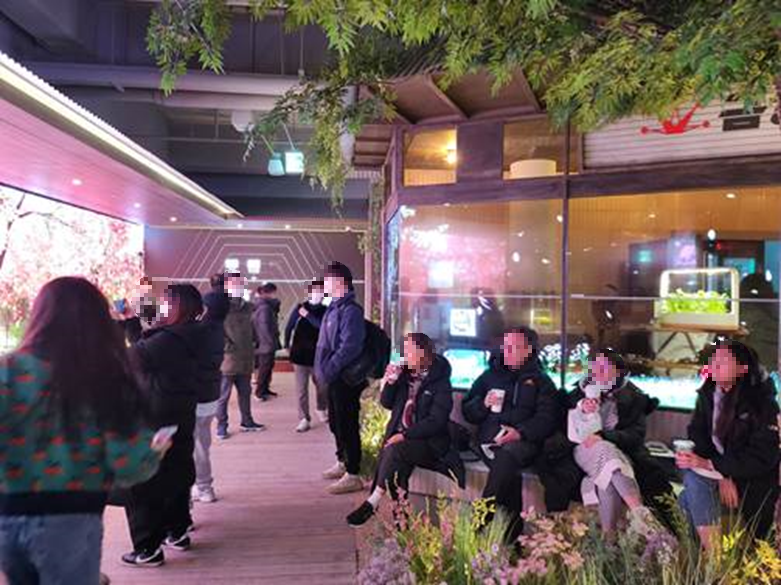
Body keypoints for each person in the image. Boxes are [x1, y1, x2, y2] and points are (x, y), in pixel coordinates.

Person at [0, 277, 168, 584]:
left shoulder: (7, 370)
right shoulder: (105, 377)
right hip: (73, 519)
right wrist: (154, 450)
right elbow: (128, 465)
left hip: (7, 517)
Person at [122, 284, 204, 567]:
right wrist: (134, 322)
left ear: (178, 305)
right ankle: (177, 531)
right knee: (176, 471)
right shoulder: (194, 333)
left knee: (142, 481)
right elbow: (146, 350)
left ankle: (147, 548)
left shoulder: (169, 339)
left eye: (166, 302)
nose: (161, 306)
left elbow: (131, 359)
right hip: (180, 413)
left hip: (155, 418)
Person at [346, 333, 465, 526]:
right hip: (401, 438)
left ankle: (374, 500)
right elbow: (387, 404)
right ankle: (401, 525)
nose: (405, 356)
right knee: (397, 466)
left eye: (409, 351)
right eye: (405, 351)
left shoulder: (440, 382)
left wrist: (404, 435)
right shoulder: (404, 374)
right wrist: (391, 383)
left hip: (429, 443)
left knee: (395, 451)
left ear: (424, 354)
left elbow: (436, 421)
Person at [677, 338, 780, 551]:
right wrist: (721, 474)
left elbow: (762, 457)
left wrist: (717, 467)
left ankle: (711, 559)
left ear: (742, 369)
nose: (714, 364)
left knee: (687, 497)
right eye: (713, 359)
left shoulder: (762, 404)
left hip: (753, 480)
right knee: (691, 480)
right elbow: (698, 437)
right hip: (721, 473)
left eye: (722, 361)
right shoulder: (707, 394)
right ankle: (712, 557)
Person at [461, 327, 560, 543]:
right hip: (489, 440)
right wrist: (483, 404)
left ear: (528, 350)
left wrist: (520, 433)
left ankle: (478, 524)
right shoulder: (489, 376)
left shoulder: (541, 382)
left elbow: (547, 420)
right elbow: (468, 411)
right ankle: (512, 543)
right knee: (507, 471)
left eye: (514, 347)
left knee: (506, 459)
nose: (507, 352)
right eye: (505, 347)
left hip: (524, 442)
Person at [567, 349, 672, 538]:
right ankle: (641, 515)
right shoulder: (576, 396)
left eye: (604, 367)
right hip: (584, 451)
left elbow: (635, 436)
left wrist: (604, 436)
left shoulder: (633, 398)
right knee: (604, 451)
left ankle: (609, 540)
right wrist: (584, 411)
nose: (598, 372)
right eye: (594, 367)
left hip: (622, 453)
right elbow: (564, 431)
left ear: (618, 371)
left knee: (607, 477)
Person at [315, 262, 367, 495]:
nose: (324, 285)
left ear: (340, 282)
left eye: (327, 281)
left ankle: (353, 473)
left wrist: (330, 369)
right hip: (332, 377)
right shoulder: (333, 308)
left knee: (347, 423)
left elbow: (350, 347)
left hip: (345, 378)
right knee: (336, 422)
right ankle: (342, 461)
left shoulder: (351, 311)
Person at [192, 275, 230, 503]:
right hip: (209, 394)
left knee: (197, 445)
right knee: (201, 442)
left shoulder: (201, 332)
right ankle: (202, 486)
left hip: (198, 395)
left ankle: (204, 487)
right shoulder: (217, 329)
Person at [216, 272, 265, 439]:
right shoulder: (221, 307)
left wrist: (255, 342)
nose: (238, 286)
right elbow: (216, 330)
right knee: (223, 397)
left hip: (246, 358)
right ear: (226, 286)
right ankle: (221, 426)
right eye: (234, 283)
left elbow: (254, 328)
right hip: (228, 360)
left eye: (240, 283)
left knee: (245, 393)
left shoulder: (249, 307)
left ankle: (247, 421)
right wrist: (227, 347)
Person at [284, 280, 328, 432]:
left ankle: (321, 408)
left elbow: (322, 326)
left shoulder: (326, 310)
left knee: (322, 385)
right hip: (300, 355)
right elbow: (289, 327)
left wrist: (308, 315)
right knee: (301, 390)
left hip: (319, 356)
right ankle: (304, 418)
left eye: (321, 291)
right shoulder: (299, 308)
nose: (318, 294)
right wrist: (286, 345)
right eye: (315, 291)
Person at [253, 282, 281, 401]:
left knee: (268, 367)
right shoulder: (264, 307)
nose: (275, 295)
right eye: (273, 292)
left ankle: (265, 389)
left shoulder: (266, 306)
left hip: (266, 343)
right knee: (264, 369)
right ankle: (259, 393)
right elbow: (264, 327)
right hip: (265, 344)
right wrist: (270, 341)